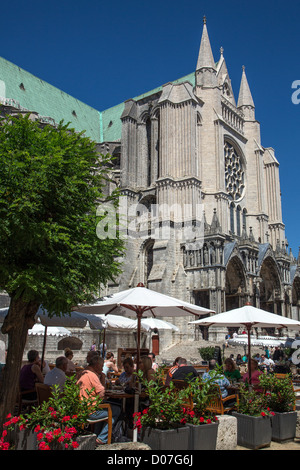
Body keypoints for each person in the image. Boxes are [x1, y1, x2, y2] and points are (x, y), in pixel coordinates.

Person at [76, 355, 121, 445]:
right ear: (96, 366)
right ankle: (102, 439)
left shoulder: (82, 373)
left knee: (105, 407)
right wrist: (103, 379)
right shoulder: (92, 375)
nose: (102, 369)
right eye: (101, 367)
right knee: (116, 410)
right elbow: (102, 394)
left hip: (82, 408)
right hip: (91, 411)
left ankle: (96, 434)